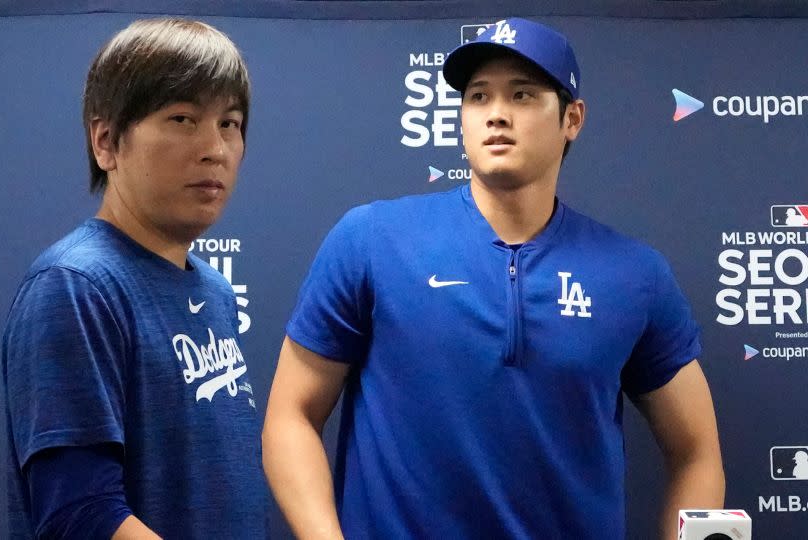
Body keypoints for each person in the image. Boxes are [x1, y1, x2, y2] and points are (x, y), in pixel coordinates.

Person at [263, 17, 724, 540]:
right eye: (478, 96)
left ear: (572, 118)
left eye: (523, 95)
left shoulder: (635, 274)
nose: (497, 115)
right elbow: (291, 415)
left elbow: (696, 452)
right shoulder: (371, 240)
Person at [2, 18, 265, 539]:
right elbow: (80, 515)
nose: (214, 147)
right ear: (106, 142)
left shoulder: (213, 289)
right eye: (183, 119)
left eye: (229, 124)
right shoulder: (75, 286)